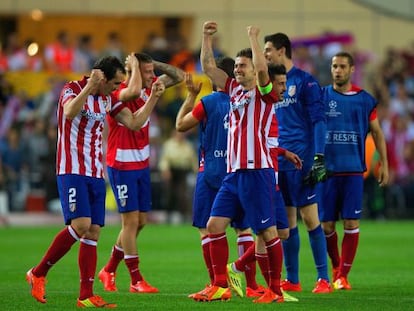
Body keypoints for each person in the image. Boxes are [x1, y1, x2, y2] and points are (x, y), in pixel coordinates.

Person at [25, 55, 166, 308]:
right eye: (114, 84)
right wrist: (90, 86)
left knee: (93, 232)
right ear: (101, 78)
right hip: (71, 169)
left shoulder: (108, 99)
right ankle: (38, 273)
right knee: (81, 225)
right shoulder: (73, 88)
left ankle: (86, 295)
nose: (117, 89)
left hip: (95, 172)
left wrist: (154, 97)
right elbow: (69, 112)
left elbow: (134, 123)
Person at [192, 21, 284, 304]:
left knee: (266, 231)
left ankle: (275, 290)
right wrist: (206, 38)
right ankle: (220, 285)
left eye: (242, 66)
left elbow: (261, 70)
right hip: (233, 175)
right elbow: (208, 67)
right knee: (215, 224)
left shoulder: (264, 92)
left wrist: (253, 38)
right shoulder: (232, 90)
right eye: (236, 67)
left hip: (258, 172)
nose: (237, 70)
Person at [176, 57, 268, 298]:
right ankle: (252, 285)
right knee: (244, 229)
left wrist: (189, 97)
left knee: (208, 230)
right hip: (239, 170)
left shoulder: (207, 102)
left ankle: (216, 282)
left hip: (211, 172)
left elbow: (180, 126)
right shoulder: (248, 99)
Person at [98, 53, 184, 293]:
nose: (152, 77)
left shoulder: (150, 85)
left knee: (140, 223)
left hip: (141, 163)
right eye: (146, 73)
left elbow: (178, 76)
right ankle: (136, 280)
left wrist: (152, 64)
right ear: (132, 72)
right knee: (131, 222)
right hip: (122, 165)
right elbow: (134, 109)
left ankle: (109, 269)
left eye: (152, 72)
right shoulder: (118, 94)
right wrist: (136, 68)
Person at [226, 64, 302, 303]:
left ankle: (240, 268)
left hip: (272, 177)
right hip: (263, 177)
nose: (283, 88)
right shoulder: (262, 106)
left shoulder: (269, 113)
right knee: (268, 232)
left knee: (280, 231)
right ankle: (273, 288)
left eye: (284, 84)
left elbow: (268, 145)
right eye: (280, 83)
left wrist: (283, 152)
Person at [263, 32, 332, 293]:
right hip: (278, 161)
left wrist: (318, 157)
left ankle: (323, 279)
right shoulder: (268, 84)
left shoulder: (305, 82)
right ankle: (292, 279)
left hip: (302, 160)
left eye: (268, 49)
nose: (266, 54)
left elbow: (319, 121)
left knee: (310, 217)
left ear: (282, 50)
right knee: (287, 222)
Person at [320, 51, 389, 290]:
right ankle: (337, 266)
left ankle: (343, 276)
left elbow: (378, 133)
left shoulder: (365, 100)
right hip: (326, 172)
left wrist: (384, 165)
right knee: (326, 226)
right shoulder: (322, 96)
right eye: (334, 66)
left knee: (350, 223)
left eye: (341, 66)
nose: (337, 70)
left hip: (353, 172)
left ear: (351, 70)